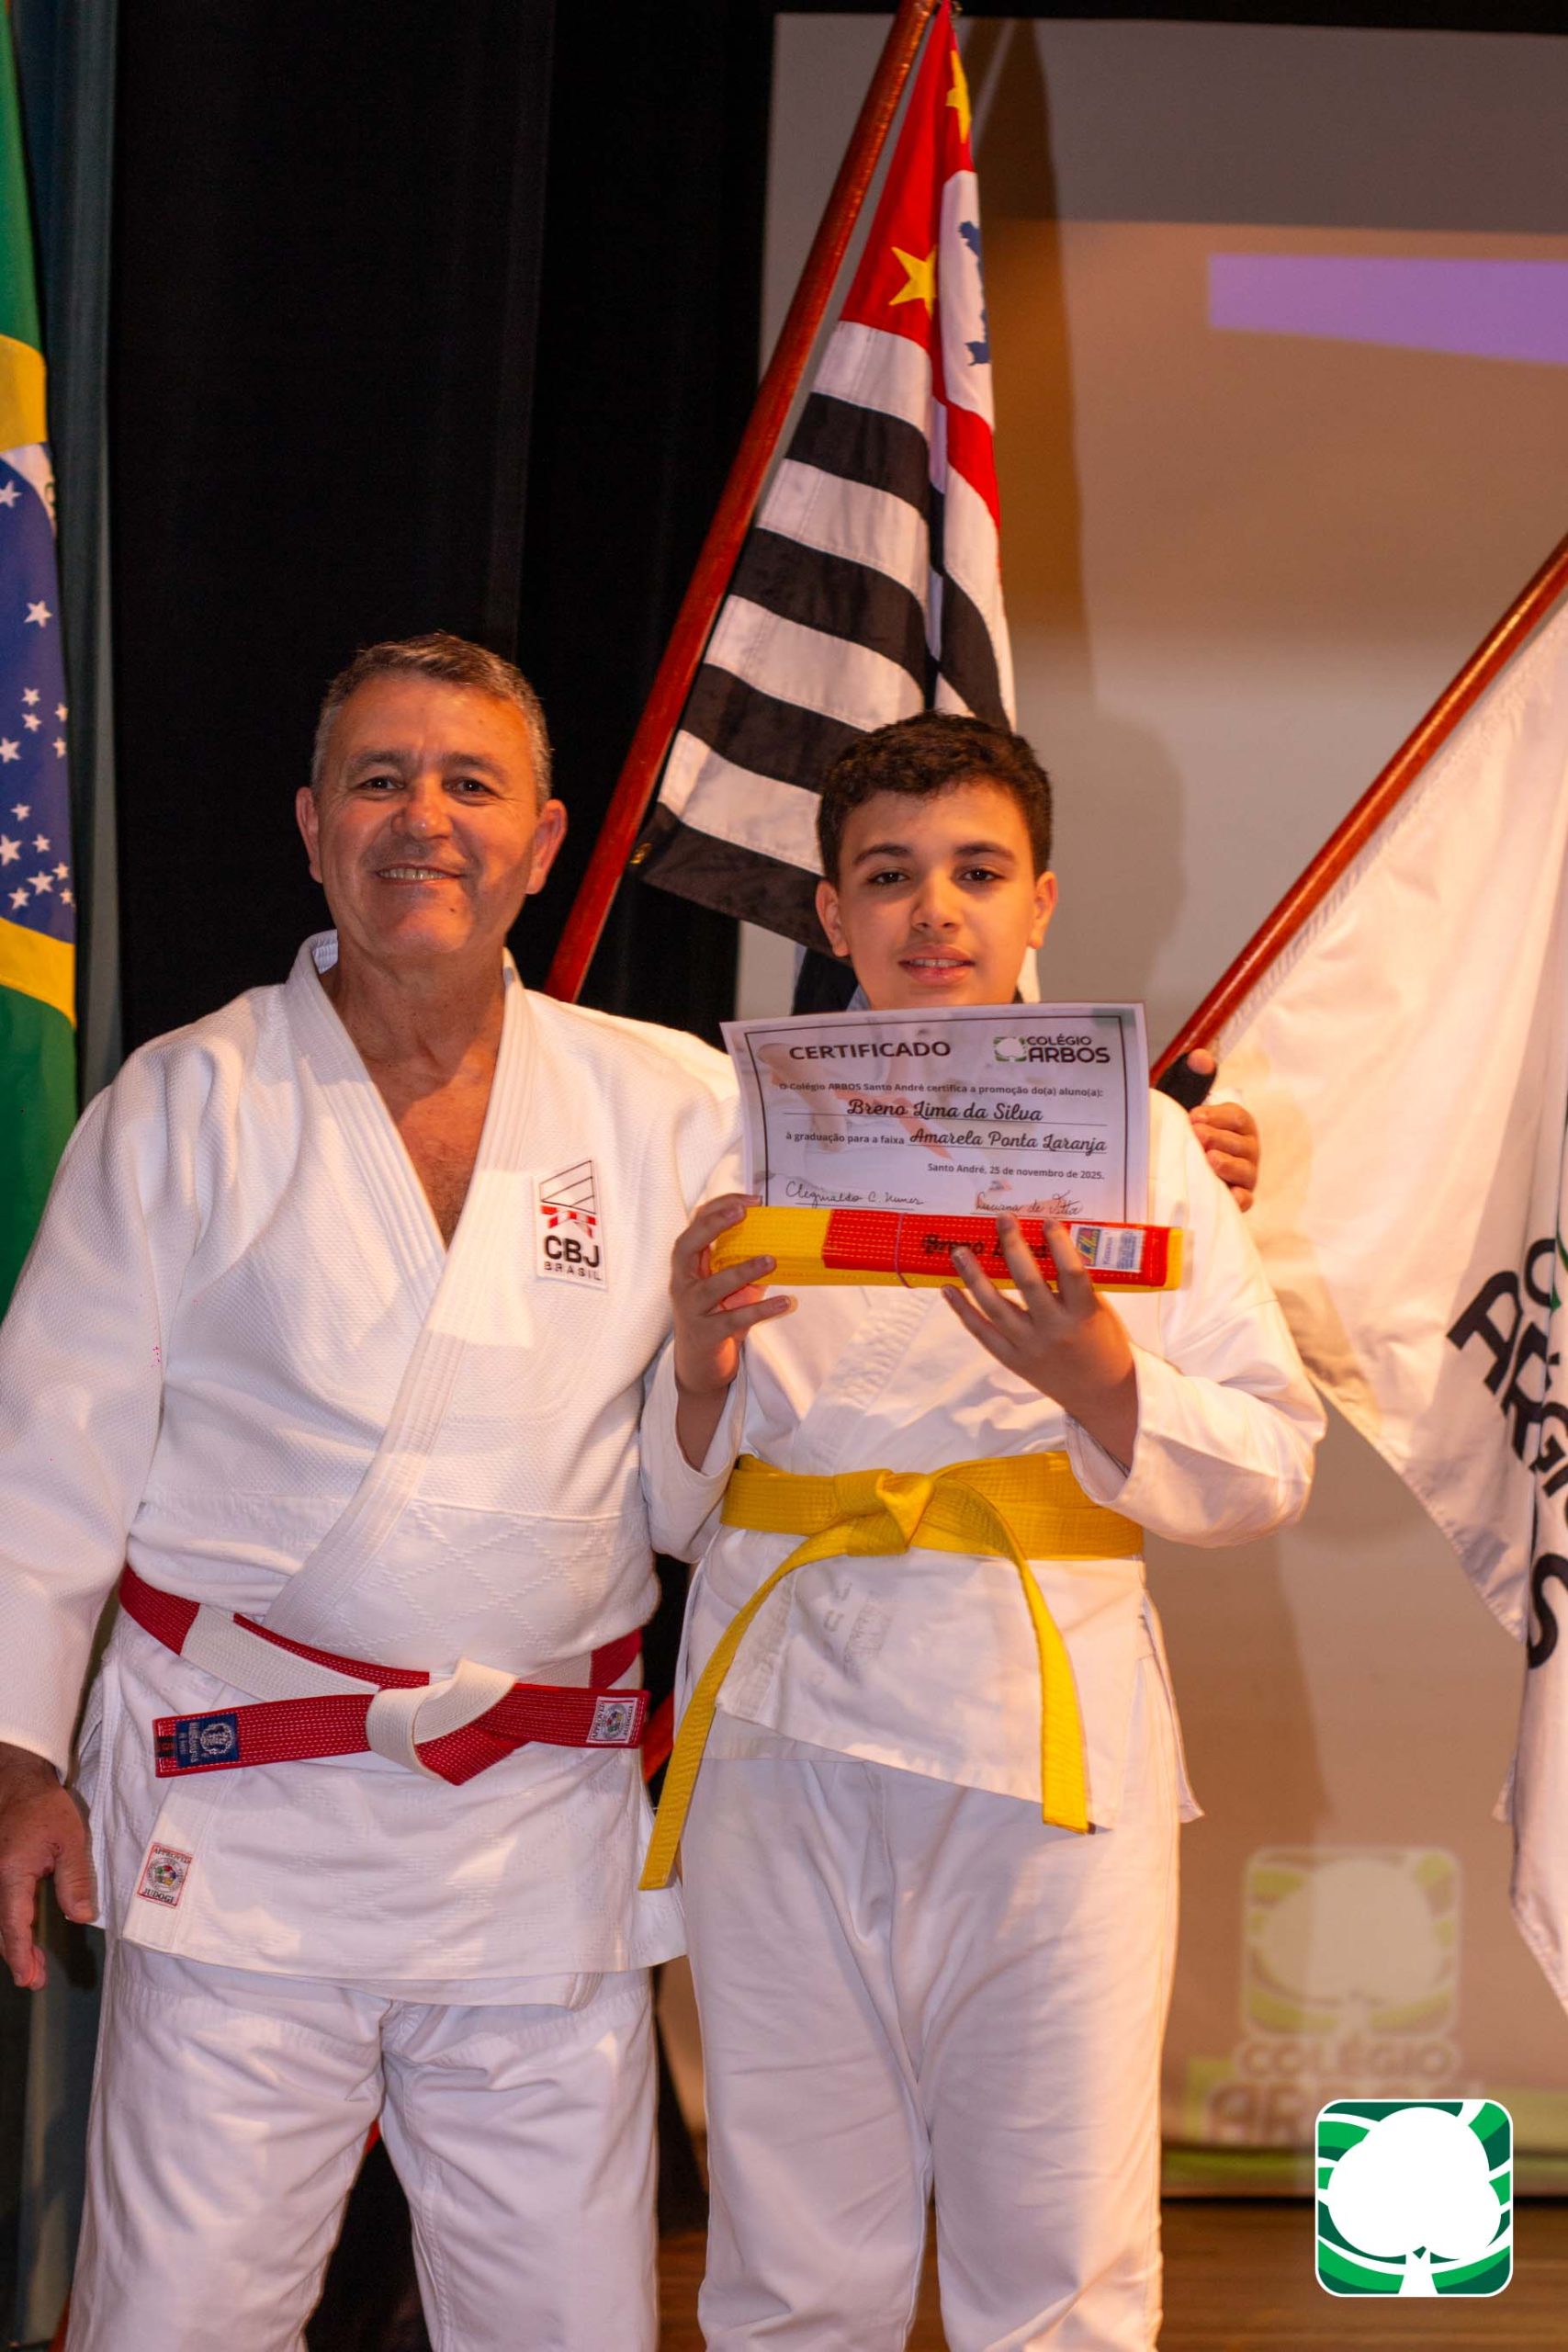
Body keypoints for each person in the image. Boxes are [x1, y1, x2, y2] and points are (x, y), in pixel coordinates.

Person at [0, 632, 740, 2352]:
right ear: (313, 827)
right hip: (243, 1810)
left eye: (471, 783)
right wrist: (20, 1753)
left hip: (537, 1831)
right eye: (381, 780)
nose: (426, 819)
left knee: (569, 2324)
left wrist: (1159, 1154)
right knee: (177, 2318)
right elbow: (48, 1448)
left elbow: (711, 1464)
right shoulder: (186, 1100)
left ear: (544, 840)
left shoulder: (675, 1105)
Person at [645, 711, 1324, 2351]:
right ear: (830, 913)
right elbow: (651, 1501)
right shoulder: (722, 1140)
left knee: (1059, 2258)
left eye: (976, 872)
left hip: (1045, 1740)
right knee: (792, 2257)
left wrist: (1105, 1383)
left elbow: (1273, 1462)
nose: (933, 911)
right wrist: (695, 1371)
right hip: (780, 1732)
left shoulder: (1148, 1149)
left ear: (1042, 903)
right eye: (888, 876)